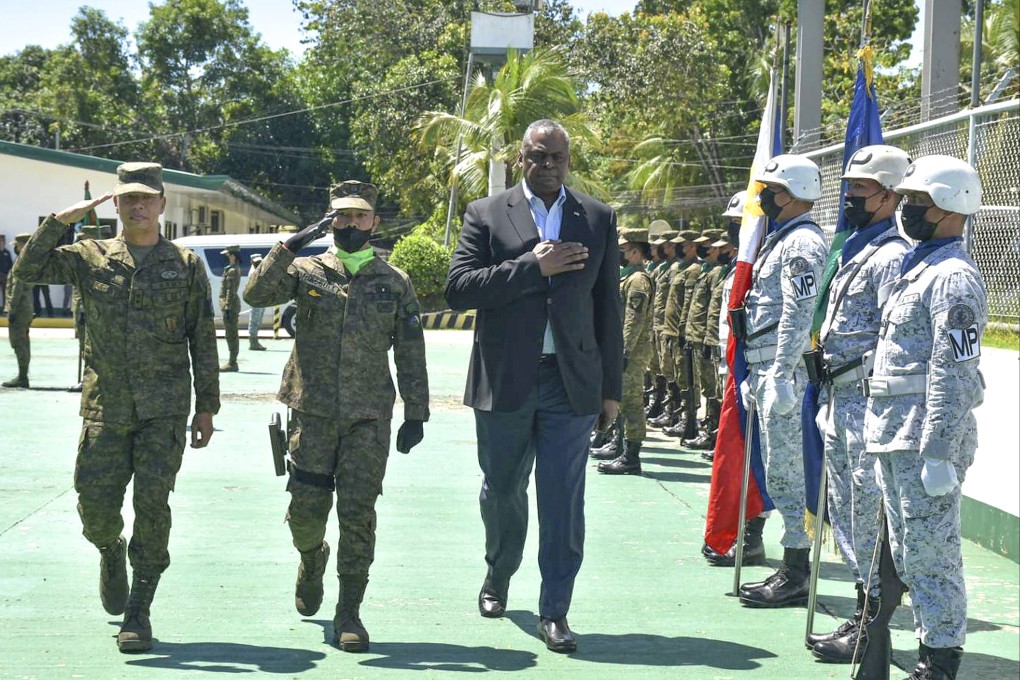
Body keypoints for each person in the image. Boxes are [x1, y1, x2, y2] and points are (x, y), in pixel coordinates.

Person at [11, 162, 220, 653]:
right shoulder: (90, 256)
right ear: (116, 205)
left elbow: (202, 339)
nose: (139, 206)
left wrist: (206, 406)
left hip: (163, 411)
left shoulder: (186, 265)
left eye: (147, 198)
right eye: (128, 199)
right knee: (95, 509)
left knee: (153, 509)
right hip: (105, 409)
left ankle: (139, 610)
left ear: (162, 204)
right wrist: (60, 221)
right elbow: (27, 271)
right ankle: (110, 550)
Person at [445, 119, 623, 654]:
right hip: (505, 382)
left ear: (569, 161)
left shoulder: (596, 217)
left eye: (556, 158)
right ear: (520, 158)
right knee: (502, 488)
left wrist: (610, 390)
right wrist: (532, 266)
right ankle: (498, 573)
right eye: (537, 156)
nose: (546, 165)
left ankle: (556, 610)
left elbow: (607, 311)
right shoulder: (485, 214)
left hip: (571, 384)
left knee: (564, 498)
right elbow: (458, 289)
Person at [244, 179, 429, 653]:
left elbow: (410, 349)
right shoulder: (305, 270)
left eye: (359, 216)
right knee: (306, 513)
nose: (350, 224)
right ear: (330, 220)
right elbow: (255, 294)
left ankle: (349, 611)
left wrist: (417, 412)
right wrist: (292, 243)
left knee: (358, 514)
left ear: (374, 222)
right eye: (341, 216)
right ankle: (311, 556)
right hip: (312, 413)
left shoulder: (395, 281)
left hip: (369, 417)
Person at [863, 155, 987, 680]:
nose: (907, 208)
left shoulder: (955, 279)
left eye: (918, 201)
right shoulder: (920, 266)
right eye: (908, 199)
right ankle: (929, 648)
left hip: (924, 438)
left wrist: (939, 450)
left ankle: (940, 659)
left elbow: (953, 372)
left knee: (933, 555)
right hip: (895, 433)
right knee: (911, 552)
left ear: (949, 206)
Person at [807, 144, 911, 663]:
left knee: (868, 518)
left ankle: (873, 624)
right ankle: (863, 612)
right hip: (839, 399)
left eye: (860, 189)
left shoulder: (891, 256)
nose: (850, 196)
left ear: (890, 196)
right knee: (847, 515)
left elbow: (895, 337)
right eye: (848, 186)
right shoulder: (855, 247)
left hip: (868, 405)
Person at [737, 154, 828, 608]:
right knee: (779, 472)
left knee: (789, 474)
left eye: (769, 190)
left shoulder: (802, 243)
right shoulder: (783, 239)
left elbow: (799, 312)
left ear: (790, 193)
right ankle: (791, 565)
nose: (762, 198)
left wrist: (780, 373)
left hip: (784, 373)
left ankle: (796, 571)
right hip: (769, 368)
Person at [598, 228, 653, 475]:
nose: (619, 253)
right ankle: (619, 444)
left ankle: (631, 455)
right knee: (620, 399)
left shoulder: (639, 280)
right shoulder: (628, 277)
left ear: (634, 252)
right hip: (622, 350)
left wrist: (624, 352)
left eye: (623, 249)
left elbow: (634, 319)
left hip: (632, 352)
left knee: (631, 402)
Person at [683, 229, 727, 451]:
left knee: (714, 388)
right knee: (708, 386)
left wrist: (710, 338)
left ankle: (713, 430)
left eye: (709, 245)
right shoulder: (707, 271)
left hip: (711, 338)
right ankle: (709, 429)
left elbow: (715, 309)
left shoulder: (719, 272)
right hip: (700, 335)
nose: (706, 249)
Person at [68, 225, 105, 393]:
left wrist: (83, 311)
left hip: (92, 313)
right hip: (83, 312)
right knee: (85, 349)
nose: (79, 242)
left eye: (83, 238)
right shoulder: (82, 260)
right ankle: (88, 381)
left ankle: (90, 383)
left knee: (92, 351)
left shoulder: (99, 260)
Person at [2, 234, 33, 388]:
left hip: (19, 308)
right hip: (25, 307)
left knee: (19, 343)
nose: (16, 247)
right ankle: (22, 375)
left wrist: (12, 310)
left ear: (22, 245)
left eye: (18, 245)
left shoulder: (23, 261)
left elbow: (17, 289)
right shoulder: (27, 260)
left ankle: (22, 376)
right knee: (22, 342)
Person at [219, 245, 241, 371]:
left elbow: (230, 291)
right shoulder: (231, 269)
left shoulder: (232, 271)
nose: (227, 257)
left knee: (231, 334)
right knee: (229, 333)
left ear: (233, 255)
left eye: (228, 255)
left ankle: (232, 363)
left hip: (231, 306)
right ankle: (232, 361)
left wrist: (227, 307)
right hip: (229, 305)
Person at [247, 253, 268, 351]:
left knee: (258, 319)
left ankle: (255, 341)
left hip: (261, 298)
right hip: (256, 299)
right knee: (254, 319)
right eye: (256, 262)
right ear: (251, 262)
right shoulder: (253, 272)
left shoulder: (259, 269)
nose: (258, 263)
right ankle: (253, 342)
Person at [0, 234, 13, 310]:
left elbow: (10, 264)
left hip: (5, 276)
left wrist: (8, 274)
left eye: (2, 241)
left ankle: (5, 309)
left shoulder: (7, 252)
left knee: (5, 293)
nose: (1, 242)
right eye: (0, 241)